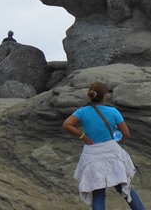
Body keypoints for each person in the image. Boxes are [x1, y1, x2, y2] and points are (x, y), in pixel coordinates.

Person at [62, 82, 146, 210]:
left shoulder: (82, 112)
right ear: (105, 96)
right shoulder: (113, 111)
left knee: (98, 194)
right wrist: (117, 142)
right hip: (112, 153)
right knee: (125, 189)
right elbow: (126, 134)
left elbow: (67, 124)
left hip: (93, 155)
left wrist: (83, 136)